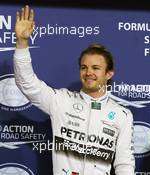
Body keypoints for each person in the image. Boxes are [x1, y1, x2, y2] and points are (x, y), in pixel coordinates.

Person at [14, 5, 135, 175]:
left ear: (109, 74)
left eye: (95, 68)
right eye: (84, 67)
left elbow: (124, 164)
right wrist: (22, 43)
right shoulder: (61, 101)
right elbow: (26, 83)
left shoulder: (122, 114)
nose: (89, 73)